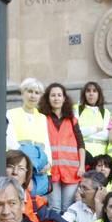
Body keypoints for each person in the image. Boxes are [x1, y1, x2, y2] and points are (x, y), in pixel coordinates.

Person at [41, 82, 88, 213]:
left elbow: (81, 144)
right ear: (48, 98)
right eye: (53, 95)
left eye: (59, 95)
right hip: (51, 170)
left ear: (64, 98)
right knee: (54, 208)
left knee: (68, 208)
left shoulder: (72, 120)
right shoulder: (43, 119)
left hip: (71, 170)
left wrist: (82, 166)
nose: (56, 98)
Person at [7, 77, 51, 195]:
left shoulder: (42, 118)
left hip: (39, 168)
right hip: (20, 165)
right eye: (30, 91)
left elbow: (46, 142)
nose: (33, 96)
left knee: (37, 199)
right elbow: (10, 140)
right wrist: (26, 163)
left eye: (37, 93)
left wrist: (49, 163)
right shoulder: (11, 113)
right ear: (23, 93)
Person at [77, 81, 112, 161]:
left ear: (99, 94)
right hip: (82, 155)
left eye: (94, 91)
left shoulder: (105, 112)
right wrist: (96, 129)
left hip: (101, 157)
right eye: (88, 91)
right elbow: (76, 133)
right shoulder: (77, 109)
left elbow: (106, 135)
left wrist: (86, 131)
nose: (91, 94)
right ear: (84, 94)